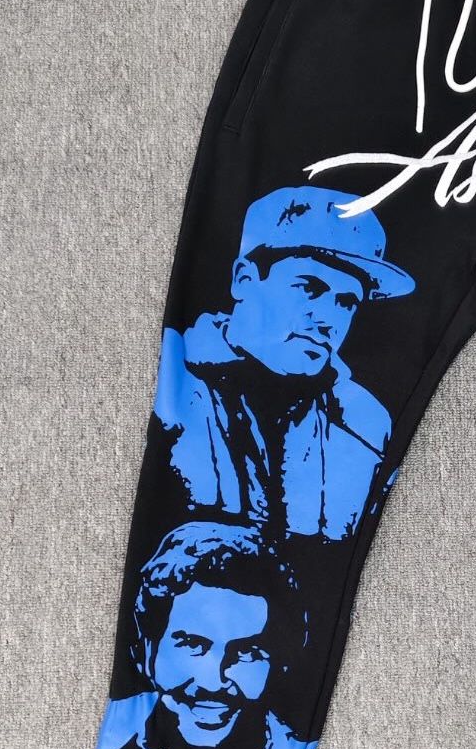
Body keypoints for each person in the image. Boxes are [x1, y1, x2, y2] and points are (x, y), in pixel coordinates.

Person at [154, 185, 415, 541]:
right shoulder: (170, 379)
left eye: (346, 303)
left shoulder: (367, 427)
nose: (328, 319)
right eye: (309, 288)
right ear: (244, 280)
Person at [87, 520, 314, 749]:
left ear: (277, 663)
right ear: (147, 650)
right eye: (193, 644)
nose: (214, 681)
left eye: (246, 651)